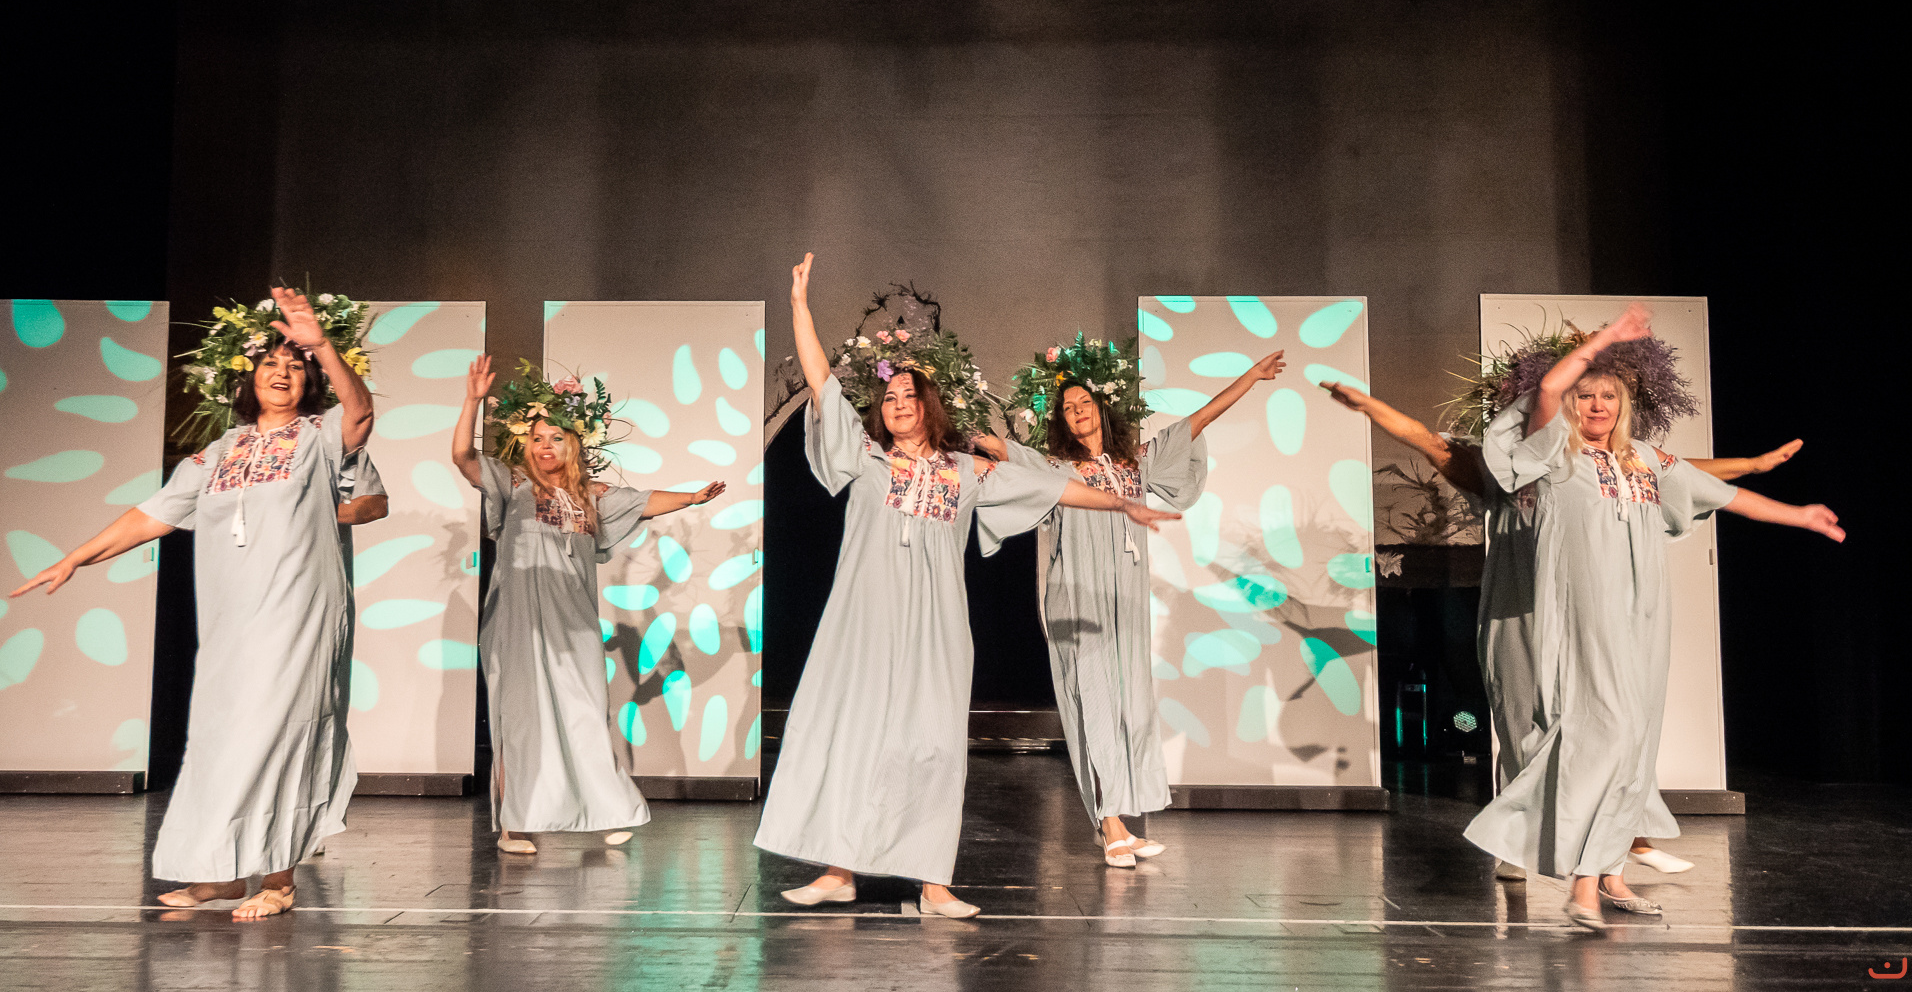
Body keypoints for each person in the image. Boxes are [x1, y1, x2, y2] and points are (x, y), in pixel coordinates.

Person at [754, 254, 1184, 920]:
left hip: (937, 628)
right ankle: (838, 871)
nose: (897, 404)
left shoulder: (966, 471)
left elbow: (1050, 486)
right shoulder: (865, 460)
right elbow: (821, 385)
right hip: (864, 622)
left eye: (908, 396)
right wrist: (799, 308)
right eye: (889, 398)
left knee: (932, 746)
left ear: (929, 406)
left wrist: (1120, 504)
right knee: (854, 734)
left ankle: (933, 884)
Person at [1456, 304, 1843, 930]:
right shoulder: (1555, 455)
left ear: (1625, 404)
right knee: (1604, 733)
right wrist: (1608, 339)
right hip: (1583, 614)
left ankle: (1603, 878)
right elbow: (1549, 389)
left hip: (1642, 616)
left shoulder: (1645, 461)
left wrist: (1798, 515)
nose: (1597, 405)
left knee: (1633, 742)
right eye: (1587, 395)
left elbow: (1724, 495)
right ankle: (1583, 882)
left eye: (1609, 395)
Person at [1320, 378, 1802, 880]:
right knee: (1524, 726)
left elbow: (1672, 467)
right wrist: (1369, 405)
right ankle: (1515, 845)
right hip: (1519, 613)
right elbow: (1425, 438)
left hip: (1581, 609)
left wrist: (1751, 465)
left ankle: (1630, 836)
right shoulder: (1497, 467)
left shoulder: (1582, 460)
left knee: (1611, 718)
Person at [11, 287, 374, 920]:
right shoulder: (219, 451)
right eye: (270, 364)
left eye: (295, 366)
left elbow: (361, 413)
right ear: (247, 379)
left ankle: (279, 879)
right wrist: (76, 556)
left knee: (280, 734)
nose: (282, 373)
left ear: (310, 378)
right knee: (220, 740)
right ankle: (221, 873)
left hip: (299, 615)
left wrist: (321, 344)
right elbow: (151, 515)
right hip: (232, 624)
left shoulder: (319, 437)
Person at [996, 344, 1286, 868]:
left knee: (1128, 704)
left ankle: (1118, 821)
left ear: (1102, 408)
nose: (1077, 411)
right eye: (1067, 408)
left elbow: (1197, 421)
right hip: (1079, 598)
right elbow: (999, 452)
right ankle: (1110, 825)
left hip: (1124, 597)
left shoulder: (1136, 462)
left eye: (1084, 402)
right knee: (1094, 702)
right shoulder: (1055, 468)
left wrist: (1251, 376)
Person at [450, 355, 723, 856]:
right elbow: (464, 458)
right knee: (520, 717)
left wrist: (691, 498)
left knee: (586, 714)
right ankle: (514, 825)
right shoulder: (513, 484)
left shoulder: (591, 495)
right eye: (537, 438)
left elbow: (644, 500)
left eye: (556, 437)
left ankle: (608, 812)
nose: (545, 446)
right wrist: (471, 400)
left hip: (573, 624)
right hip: (519, 623)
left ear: (573, 444)